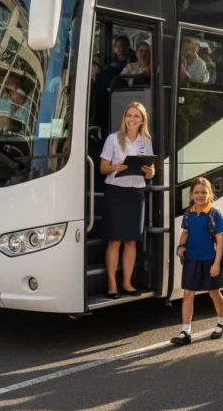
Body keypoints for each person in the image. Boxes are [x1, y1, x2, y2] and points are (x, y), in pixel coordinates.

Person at [99, 102, 156, 298]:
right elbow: (102, 168)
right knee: (114, 241)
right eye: (129, 115)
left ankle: (127, 283)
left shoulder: (146, 141)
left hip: (136, 193)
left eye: (136, 116)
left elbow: (150, 172)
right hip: (116, 192)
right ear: (124, 118)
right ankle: (112, 284)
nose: (132, 119)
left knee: (131, 241)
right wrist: (115, 168)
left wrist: (150, 172)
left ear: (142, 121)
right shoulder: (113, 139)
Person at [171, 177, 223, 346]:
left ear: (210, 193)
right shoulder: (189, 213)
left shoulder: (214, 214)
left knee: (214, 292)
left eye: (204, 192)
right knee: (188, 294)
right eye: (196, 192)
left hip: (209, 260)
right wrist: (181, 246)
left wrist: (216, 263)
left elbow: (220, 241)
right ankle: (185, 331)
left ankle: (222, 322)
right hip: (191, 260)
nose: (200, 195)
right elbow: (185, 232)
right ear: (191, 194)